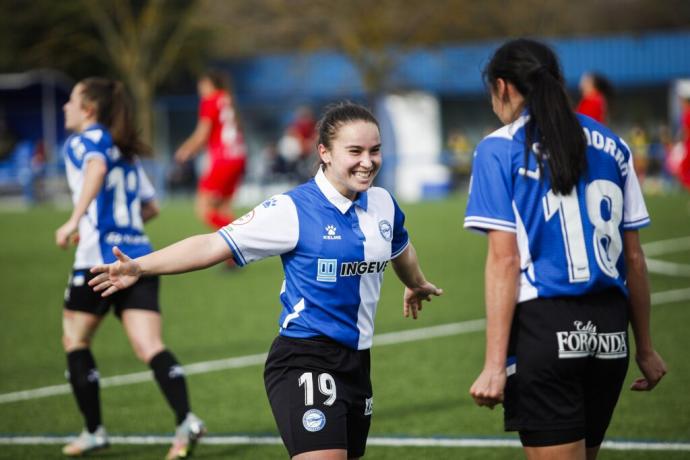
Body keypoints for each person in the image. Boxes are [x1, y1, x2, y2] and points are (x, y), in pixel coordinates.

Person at [89, 102, 443, 459]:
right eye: (355, 151)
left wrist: (414, 281)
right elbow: (213, 243)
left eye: (375, 150)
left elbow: (400, 246)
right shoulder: (291, 210)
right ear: (324, 152)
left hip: (358, 362)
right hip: (306, 357)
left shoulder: (383, 203)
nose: (367, 162)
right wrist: (140, 267)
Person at [464, 39, 666, 460]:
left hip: (547, 328)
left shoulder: (498, 148)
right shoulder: (614, 145)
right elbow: (634, 259)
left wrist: (494, 365)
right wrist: (645, 347)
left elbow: (505, 261)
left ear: (502, 87)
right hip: (611, 334)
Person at [55, 77, 205, 459]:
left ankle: (93, 431)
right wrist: (124, 230)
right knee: (151, 346)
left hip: (98, 261)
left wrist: (76, 220)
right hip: (138, 259)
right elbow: (150, 207)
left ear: (89, 109)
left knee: (76, 340)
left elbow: (95, 170)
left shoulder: (85, 142)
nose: (64, 107)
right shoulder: (127, 152)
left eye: (71, 100)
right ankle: (185, 419)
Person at [174, 70, 247, 230]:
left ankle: (241, 240)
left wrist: (186, 150)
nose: (200, 90)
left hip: (223, 159)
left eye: (201, 85)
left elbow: (202, 134)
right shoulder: (228, 99)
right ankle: (232, 253)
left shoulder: (210, 100)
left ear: (209, 85)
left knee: (203, 209)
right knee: (223, 209)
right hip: (239, 156)